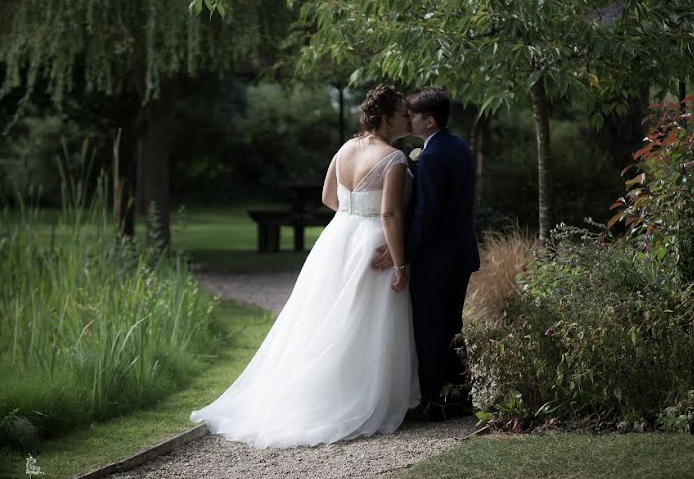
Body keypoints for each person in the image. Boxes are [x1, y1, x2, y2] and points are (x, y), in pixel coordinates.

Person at [189, 84, 420, 448]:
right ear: (387, 118)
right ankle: (353, 397)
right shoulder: (393, 159)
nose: (410, 117)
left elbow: (329, 197)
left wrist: (351, 214)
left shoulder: (345, 149)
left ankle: (316, 391)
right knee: (364, 321)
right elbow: (390, 213)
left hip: (337, 238)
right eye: (404, 112)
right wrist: (401, 263)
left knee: (326, 317)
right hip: (373, 244)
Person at [372, 86, 480, 421]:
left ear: (429, 121)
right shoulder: (458, 145)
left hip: (437, 257)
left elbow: (426, 216)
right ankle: (458, 396)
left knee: (431, 329)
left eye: (413, 116)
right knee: (451, 326)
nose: (409, 119)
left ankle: (436, 402)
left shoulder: (432, 155)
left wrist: (399, 253)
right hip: (459, 253)